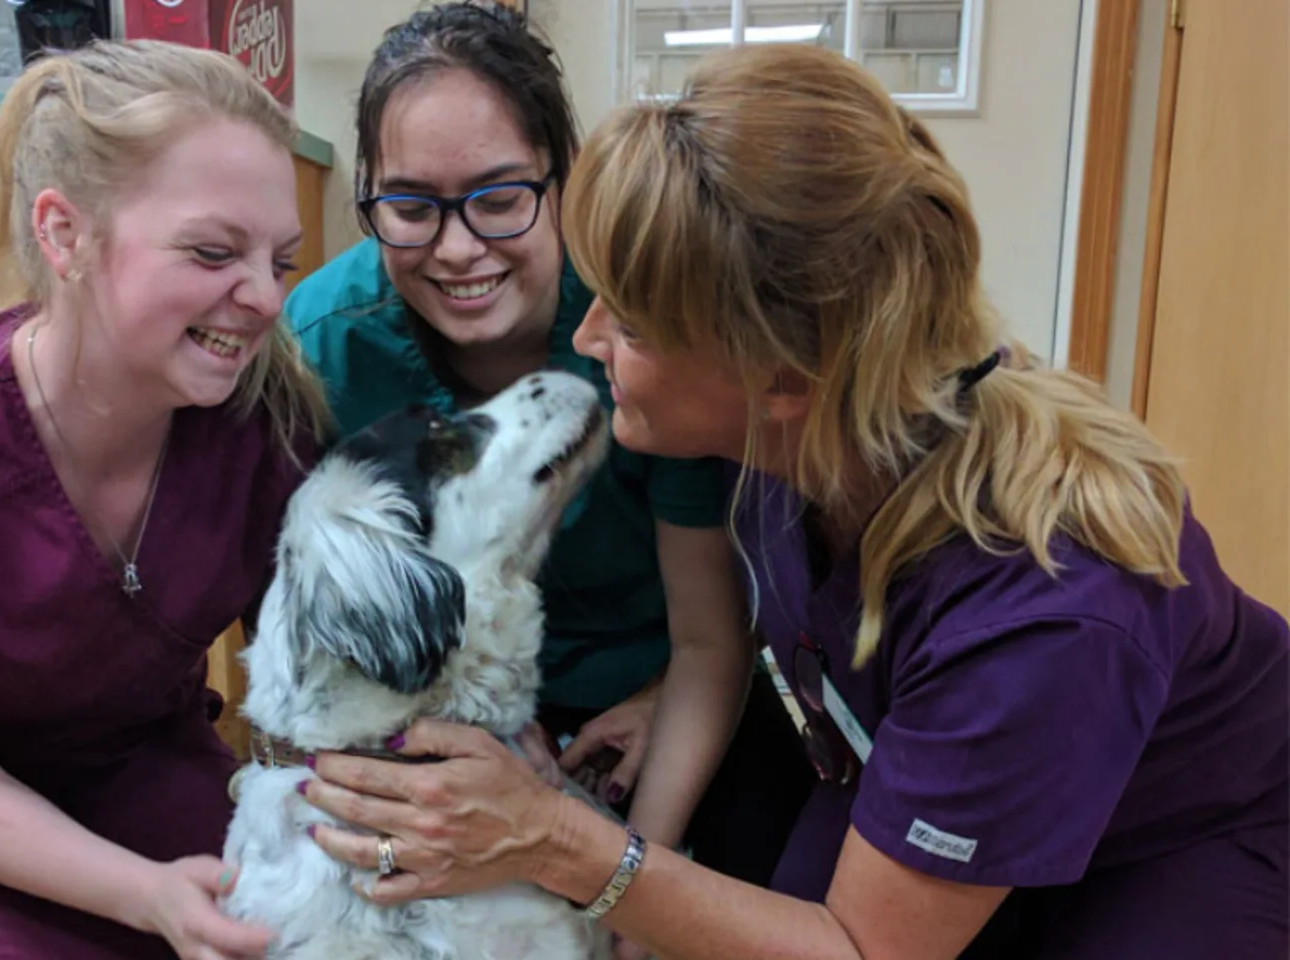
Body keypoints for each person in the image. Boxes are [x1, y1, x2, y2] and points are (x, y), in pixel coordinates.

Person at [292, 41, 1290, 960]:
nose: (588, 342)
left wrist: (559, 842)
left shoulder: (1042, 614)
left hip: (1178, 839)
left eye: (630, 324)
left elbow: (864, 950)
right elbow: (807, 648)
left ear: (780, 377)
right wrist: (650, 716)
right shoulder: (810, 447)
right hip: (901, 756)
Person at [0, 40, 328, 960]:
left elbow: (318, 674)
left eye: (280, 259)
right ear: (64, 233)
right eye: (212, 251)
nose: (267, 299)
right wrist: (146, 894)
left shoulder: (263, 425)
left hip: (131, 748)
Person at [280, 4, 815, 916]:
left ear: (563, 180)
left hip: (661, 702)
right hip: (432, 723)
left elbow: (707, 638)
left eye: (498, 199)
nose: (457, 249)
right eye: (410, 207)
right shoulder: (326, 344)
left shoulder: (641, 337)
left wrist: (638, 879)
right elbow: (319, 622)